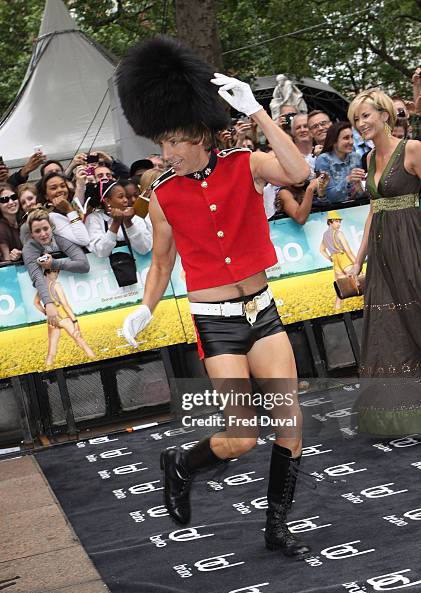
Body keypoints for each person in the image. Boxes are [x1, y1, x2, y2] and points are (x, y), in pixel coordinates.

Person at [117, 36, 311, 558]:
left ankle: (276, 525)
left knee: (290, 424)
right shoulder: (160, 195)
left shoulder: (245, 164)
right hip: (216, 320)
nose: (167, 152)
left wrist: (258, 111)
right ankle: (181, 464)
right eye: (163, 142)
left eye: (176, 141)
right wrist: (144, 307)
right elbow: (160, 263)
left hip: (262, 310)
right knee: (241, 438)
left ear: (203, 134)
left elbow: (299, 173)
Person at [347, 88, 421, 435]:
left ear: (385, 115)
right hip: (383, 254)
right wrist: (357, 262)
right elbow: (374, 211)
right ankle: (406, 416)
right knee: (390, 333)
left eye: (365, 116)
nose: (360, 124)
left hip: (413, 245)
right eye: (355, 119)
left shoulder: (413, 149)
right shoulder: (368, 160)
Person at [22, 209, 90, 328]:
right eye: (37, 231)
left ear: (51, 227)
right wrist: (48, 303)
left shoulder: (59, 238)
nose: (43, 234)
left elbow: (84, 265)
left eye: (46, 228)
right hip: (49, 293)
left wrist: (54, 263)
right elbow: (37, 278)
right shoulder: (29, 248)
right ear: (31, 234)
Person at [34, 268, 95, 366]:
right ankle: (95, 360)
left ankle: (47, 368)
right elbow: (65, 304)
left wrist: (46, 312)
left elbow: (36, 303)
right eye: (55, 272)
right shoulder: (56, 285)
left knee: (51, 350)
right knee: (81, 341)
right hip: (63, 317)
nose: (57, 274)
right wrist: (75, 321)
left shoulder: (42, 288)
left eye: (58, 272)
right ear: (47, 273)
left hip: (52, 320)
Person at [84, 180, 152, 257]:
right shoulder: (94, 219)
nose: (126, 200)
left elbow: (144, 249)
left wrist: (129, 223)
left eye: (125, 196)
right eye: (121, 197)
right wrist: (115, 224)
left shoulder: (134, 216)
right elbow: (101, 252)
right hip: (107, 268)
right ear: (107, 201)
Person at [315, 121, 365, 203]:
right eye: (346, 138)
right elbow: (329, 196)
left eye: (352, 137)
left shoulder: (356, 157)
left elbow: (361, 194)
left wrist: (359, 188)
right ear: (334, 141)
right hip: (333, 210)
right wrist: (348, 180)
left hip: (356, 206)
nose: (351, 142)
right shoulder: (323, 160)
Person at [35, 172, 90, 247]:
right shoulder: (51, 217)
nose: (60, 190)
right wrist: (69, 210)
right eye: (53, 188)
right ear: (46, 196)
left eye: (63, 186)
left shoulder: (74, 205)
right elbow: (84, 240)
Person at [320, 210, 356, 310]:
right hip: (344, 258)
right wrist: (357, 263)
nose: (339, 224)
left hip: (336, 262)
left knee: (341, 287)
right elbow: (348, 251)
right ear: (330, 222)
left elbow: (321, 250)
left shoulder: (324, 235)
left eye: (340, 221)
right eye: (336, 221)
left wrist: (330, 258)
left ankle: (337, 307)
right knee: (361, 280)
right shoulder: (339, 233)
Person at [0, 183, 23, 261]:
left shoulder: (24, 220)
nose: (11, 202)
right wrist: (13, 257)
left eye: (14, 197)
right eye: (4, 200)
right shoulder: (1, 229)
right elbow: (7, 260)